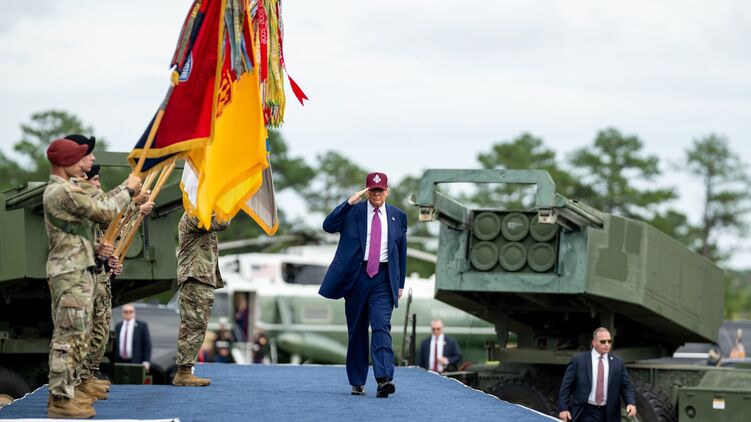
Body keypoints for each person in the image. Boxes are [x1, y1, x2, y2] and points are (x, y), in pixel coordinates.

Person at [43, 138, 142, 418]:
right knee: (68, 337)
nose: (84, 164)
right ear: (64, 163)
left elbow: (77, 230)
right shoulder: (61, 191)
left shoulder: (68, 189)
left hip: (78, 270)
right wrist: (129, 188)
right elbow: (105, 211)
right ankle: (60, 399)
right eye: (77, 159)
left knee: (78, 335)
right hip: (69, 273)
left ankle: (69, 393)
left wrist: (97, 248)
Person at [318, 172, 408, 398]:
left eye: (381, 190)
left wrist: (400, 283)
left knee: (381, 325)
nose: (377, 194)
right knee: (357, 329)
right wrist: (348, 203)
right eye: (373, 190)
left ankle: (384, 380)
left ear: (387, 191)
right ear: (367, 191)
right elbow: (328, 226)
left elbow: (401, 252)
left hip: (384, 278)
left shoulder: (398, 216)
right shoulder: (353, 212)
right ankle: (357, 382)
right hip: (357, 277)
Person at [172, 213, 230, 386]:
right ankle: (183, 373)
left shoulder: (200, 212)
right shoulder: (194, 214)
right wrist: (230, 205)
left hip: (200, 277)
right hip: (195, 277)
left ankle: (186, 371)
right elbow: (221, 223)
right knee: (193, 324)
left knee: (197, 325)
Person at [558, 327, 637, 422]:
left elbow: (626, 386)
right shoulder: (579, 361)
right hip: (586, 411)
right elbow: (566, 386)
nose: (607, 344)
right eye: (603, 342)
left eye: (609, 341)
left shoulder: (618, 362)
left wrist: (631, 403)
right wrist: (563, 409)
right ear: (594, 342)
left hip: (609, 412)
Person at [114, 304, 152, 372]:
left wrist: (146, 361)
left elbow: (147, 345)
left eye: (131, 311)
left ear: (134, 312)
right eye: (126, 311)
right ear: (122, 313)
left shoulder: (141, 326)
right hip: (120, 362)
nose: (128, 313)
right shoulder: (118, 326)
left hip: (136, 362)